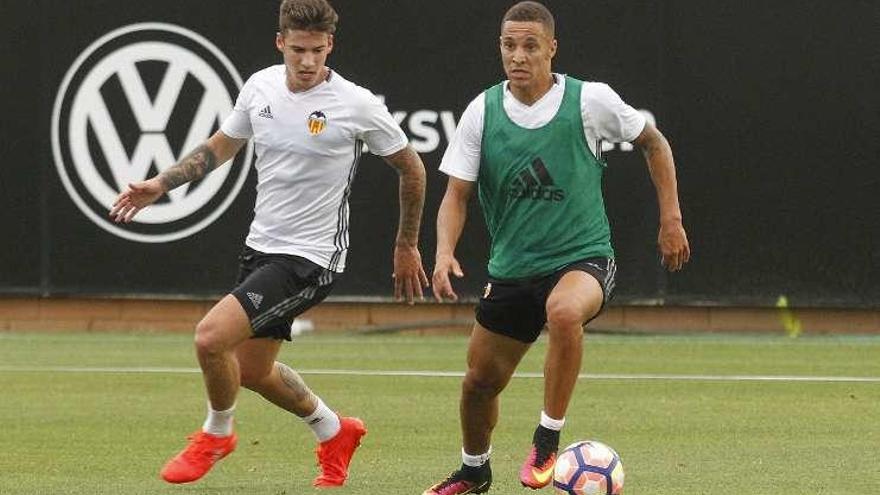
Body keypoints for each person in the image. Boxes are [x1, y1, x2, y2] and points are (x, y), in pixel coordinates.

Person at [109, 0, 429, 488]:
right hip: (261, 247)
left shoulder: (356, 103)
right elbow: (220, 147)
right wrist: (162, 183)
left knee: (210, 338)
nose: (307, 61)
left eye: (317, 51)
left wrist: (406, 244)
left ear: (330, 47)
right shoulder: (259, 86)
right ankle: (334, 430)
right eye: (298, 49)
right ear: (281, 42)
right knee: (254, 370)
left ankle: (217, 433)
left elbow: (412, 166)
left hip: (313, 257)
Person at [423, 2, 690, 494]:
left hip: (583, 258)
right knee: (478, 384)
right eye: (509, 45)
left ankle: (547, 438)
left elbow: (655, 143)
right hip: (512, 270)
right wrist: (443, 252)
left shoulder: (591, 100)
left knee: (563, 312)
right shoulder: (482, 110)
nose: (518, 56)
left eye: (529, 45)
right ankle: (474, 471)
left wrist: (670, 218)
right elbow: (455, 196)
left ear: (552, 48)